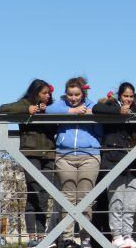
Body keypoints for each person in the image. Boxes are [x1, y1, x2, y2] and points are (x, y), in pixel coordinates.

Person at [0, 79, 57, 247]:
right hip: (30, 152)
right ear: (35, 92)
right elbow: (2, 109)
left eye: (49, 93)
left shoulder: (51, 106)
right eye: (44, 93)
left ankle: (41, 236)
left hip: (49, 154)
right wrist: (27, 110)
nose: (47, 96)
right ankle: (33, 236)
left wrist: (48, 112)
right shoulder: (25, 103)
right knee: (35, 189)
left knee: (43, 194)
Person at [45, 77, 103, 248]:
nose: (73, 98)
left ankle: (85, 237)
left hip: (89, 155)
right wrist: (72, 112)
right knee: (67, 198)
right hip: (64, 155)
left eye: (77, 94)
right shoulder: (61, 106)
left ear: (83, 93)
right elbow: (48, 111)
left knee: (86, 198)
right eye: (70, 94)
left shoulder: (92, 106)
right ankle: (67, 237)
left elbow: (100, 130)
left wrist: (91, 116)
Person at [92, 82, 136, 248]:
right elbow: (96, 109)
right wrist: (118, 111)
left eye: (130, 96)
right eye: (125, 96)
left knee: (130, 202)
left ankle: (128, 235)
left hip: (134, 162)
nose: (128, 99)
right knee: (116, 200)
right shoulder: (110, 105)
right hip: (114, 160)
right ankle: (116, 236)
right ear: (119, 96)